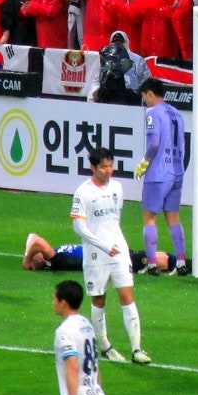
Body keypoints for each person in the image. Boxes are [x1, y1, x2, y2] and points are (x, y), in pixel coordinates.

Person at [71, 147, 151, 365]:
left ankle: (137, 349)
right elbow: (79, 227)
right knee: (99, 299)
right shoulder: (83, 192)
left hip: (119, 251)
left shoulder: (117, 188)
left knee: (127, 296)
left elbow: (113, 221)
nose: (108, 171)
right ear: (93, 168)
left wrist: (114, 245)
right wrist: (104, 245)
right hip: (96, 254)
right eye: (103, 167)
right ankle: (105, 346)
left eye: (110, 165)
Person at [134, 78, 187, 276]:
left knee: (149, 218)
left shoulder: (152, 113)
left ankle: (153, 264)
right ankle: (181, 263)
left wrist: (144, 161)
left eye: (144, 98)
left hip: (158, 172)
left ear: (149, 93)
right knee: (173, 218)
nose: (145, 102)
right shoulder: (177, 114)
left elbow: (154, 142)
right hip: (177, 171)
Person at [22, 233, 198, 275]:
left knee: (158, 257)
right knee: (159, 259)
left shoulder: (52, 255)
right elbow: (38, 243)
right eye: (36, 257)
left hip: (108, 251)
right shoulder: (57, 261)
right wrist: (27, 261)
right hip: (109, 258)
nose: (37, 254)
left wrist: (27, 259)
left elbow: (33, 238)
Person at [52, 279, 105, 395]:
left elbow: (72, 368)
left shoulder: (64, 331)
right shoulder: (87, 325)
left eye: (54, 299)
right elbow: (96, 365)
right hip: (97, 392)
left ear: (63, 303)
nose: (53, 303)